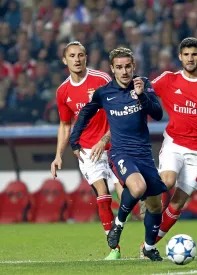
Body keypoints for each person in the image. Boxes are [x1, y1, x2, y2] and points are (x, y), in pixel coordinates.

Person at [69, 47, 167, 261]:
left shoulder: (143, 85)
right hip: (121, 152)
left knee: (155, 205)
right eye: (119, 67)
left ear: (134, 67)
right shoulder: (105, 93)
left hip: (144, 154)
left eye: (128, 67)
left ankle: (149, 247)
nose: (124, 72)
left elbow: (158, 114)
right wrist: (73, 141)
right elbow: (85, 113)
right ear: (112, 69)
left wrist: (142, 97)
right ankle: (119, 223)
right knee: (138, 187)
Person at [138, 37, 197, 257]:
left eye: (194, 54)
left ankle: (149, 245)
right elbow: (144, 87)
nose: (190, 58)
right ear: (180, 57)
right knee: (166, 182)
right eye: (186, 54)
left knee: (178, 203)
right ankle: (150, 198)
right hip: (175, 143)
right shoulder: (169, 79)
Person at [50, 41, 123, 260]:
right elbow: (65, 125)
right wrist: (58, 155)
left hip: (114, 143)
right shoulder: (63, 91)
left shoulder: (101, 79)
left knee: (128, 193)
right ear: (65, 60)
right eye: (72, 56)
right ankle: (114, 249)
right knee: (103, 193)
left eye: (80, 55)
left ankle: (141, 237)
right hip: (87, 149)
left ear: (86, 57)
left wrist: (108, 136)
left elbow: (118, 108)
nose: (77, 59)